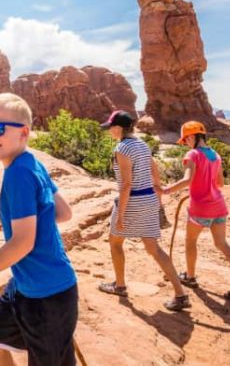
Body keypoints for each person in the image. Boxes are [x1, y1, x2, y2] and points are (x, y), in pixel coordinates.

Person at [0, 93, 78, 366]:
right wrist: (34, 223)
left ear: (23, 132)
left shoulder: (18, 175)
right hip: (29, 284)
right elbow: (63, 213)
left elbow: (23, 243)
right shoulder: (33, 163)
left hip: (46, 295)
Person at [97, 110, 190, 311]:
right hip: (148, 198)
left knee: (115, 242)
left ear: (119, 128)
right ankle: (180, 294)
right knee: (153, 248)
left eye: (110, 127)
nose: (109, 131)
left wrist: (120, 214)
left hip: (132, 201)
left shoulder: (122, 148)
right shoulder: (142, 144)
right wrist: (158, 193)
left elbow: (126, 184)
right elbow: (153, 168)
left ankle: (120, 285)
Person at [163, 121, 230, 299]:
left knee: (190, 241)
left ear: (191, 136)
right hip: (219, 207)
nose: (186, 143)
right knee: (222, 244)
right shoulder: (215, 154)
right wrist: (205, 185)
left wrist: (165, 190)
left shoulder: (192, 154)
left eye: (185, 140)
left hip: (200, 208)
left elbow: (187, 180)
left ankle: (190, 277)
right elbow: (220, 183)